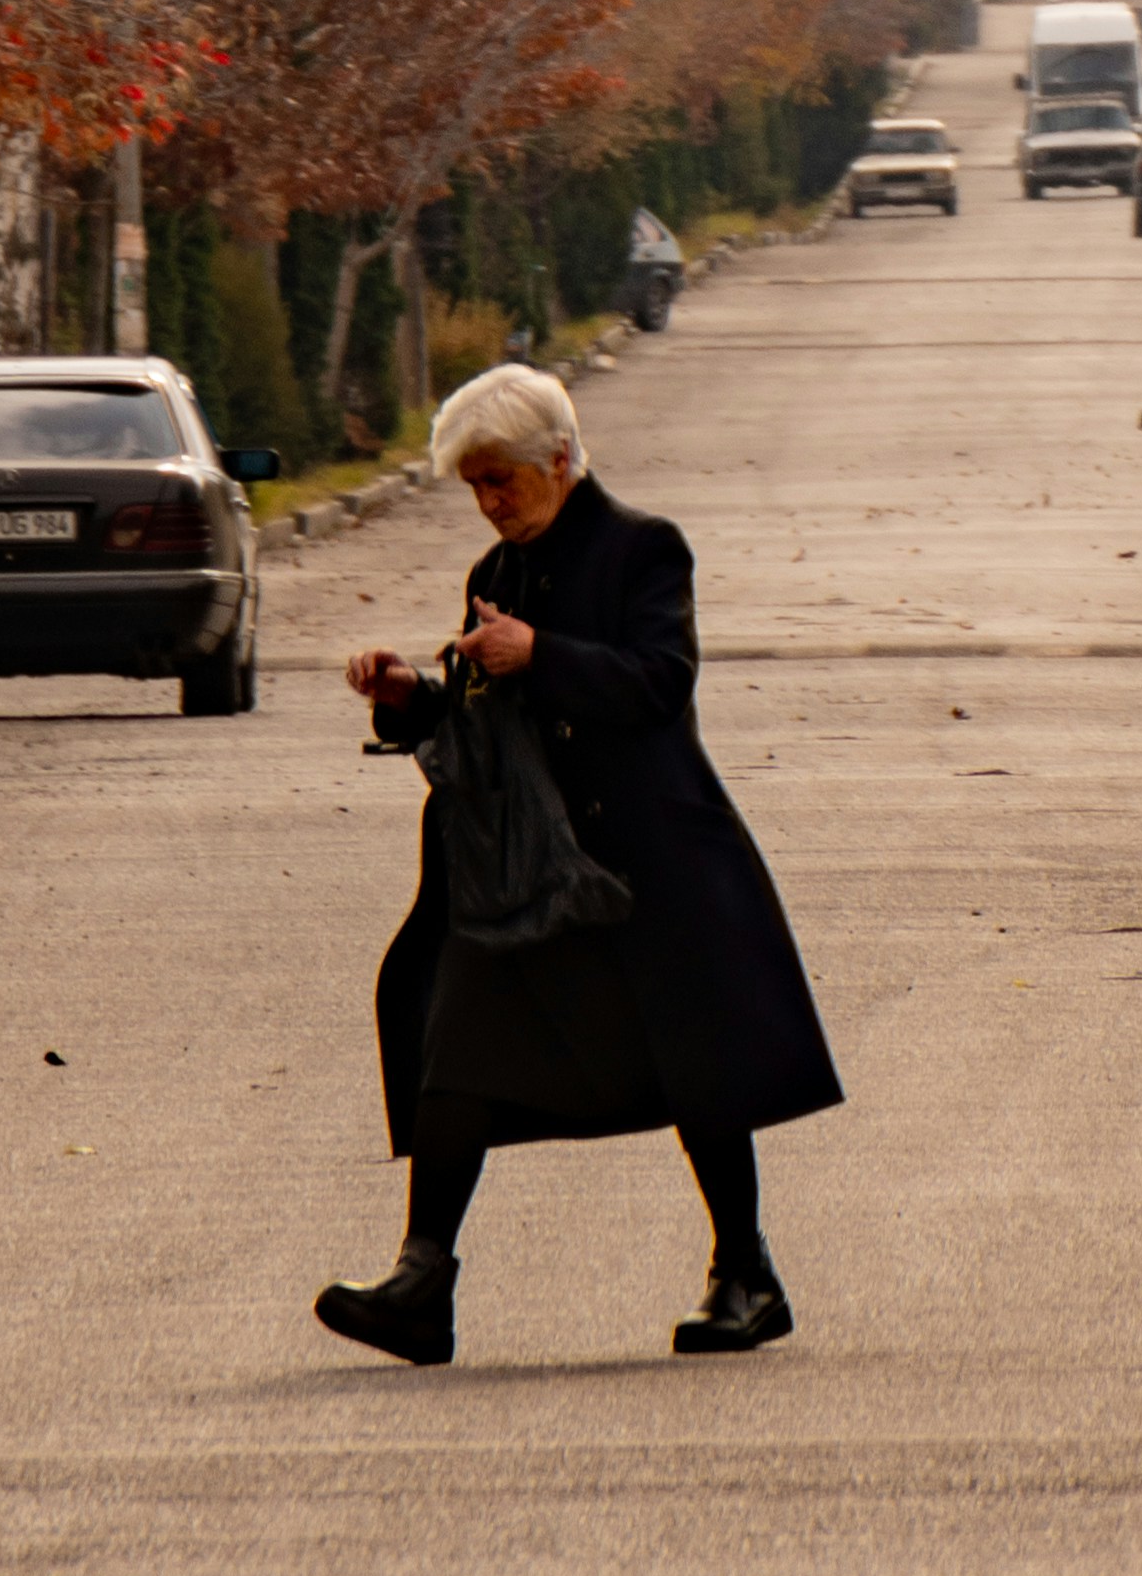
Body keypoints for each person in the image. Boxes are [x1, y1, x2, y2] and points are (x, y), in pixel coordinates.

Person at [321, 361, 840, 1371]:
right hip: (523, 875)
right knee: (454, 1046)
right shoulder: (495, 575)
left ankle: (745, 1273)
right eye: (474, 485)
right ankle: (421, 1282)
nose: (490, 501)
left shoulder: (644, 550)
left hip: (649, 860)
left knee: (696, 1066)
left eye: (503, 479)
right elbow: (485, 731)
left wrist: (542, 654)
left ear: (560, 459)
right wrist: (409, 698)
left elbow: (660, 683)